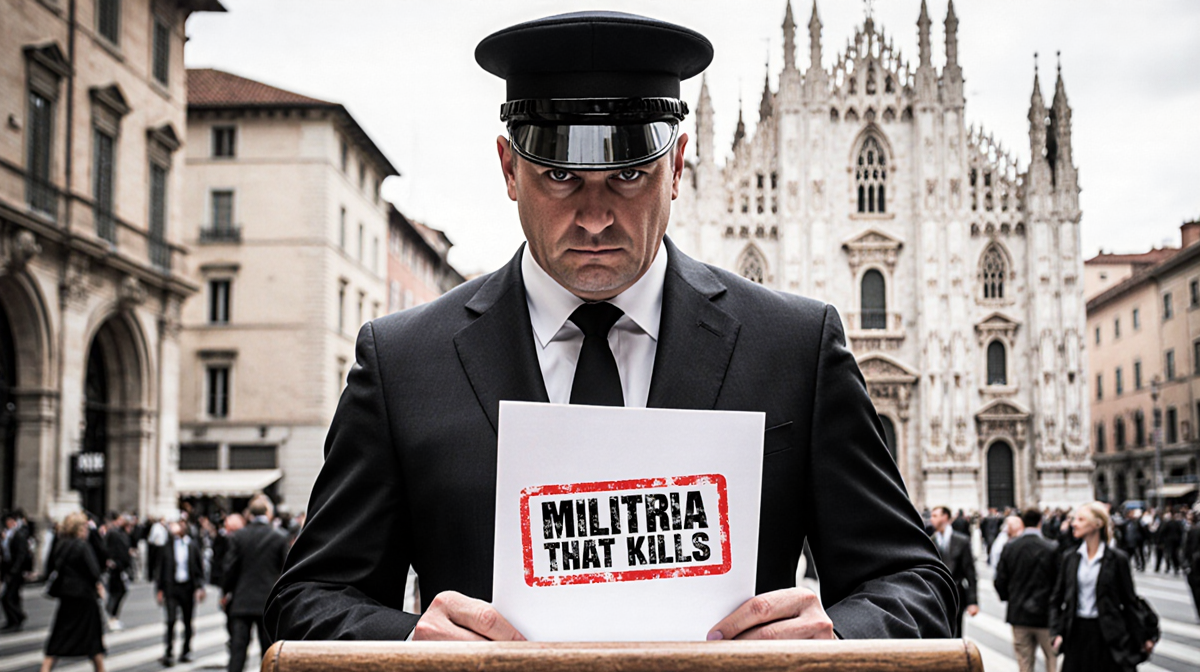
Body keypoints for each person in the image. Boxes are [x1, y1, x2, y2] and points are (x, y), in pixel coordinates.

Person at [266, 10, 955, 643]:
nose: (595, 218)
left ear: (677, 166)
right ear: (510, 168)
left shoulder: (794, 348)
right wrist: (412, 643)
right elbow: (308, 602)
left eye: (628, 176)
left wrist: (835, 633)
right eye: (561, 177)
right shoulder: (404, 361)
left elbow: (918, 586)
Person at [1050, 502, 1156, 672]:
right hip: (1077, 633)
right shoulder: (1070, 558)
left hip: (1108, 634)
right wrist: (1055, 633)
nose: (1074, 523)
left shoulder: (1117, 559)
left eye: (1081, 519)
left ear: (1097, 524)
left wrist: (1143, 637)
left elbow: (1129, 601)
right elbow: (1056, 599)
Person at [222, 496, 288, 672]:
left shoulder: (238, 536)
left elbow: (230, 569)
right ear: (268, 513)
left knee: (238, 650)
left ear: (250, 514)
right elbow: (285, 571)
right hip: (267, 603)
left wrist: (226, 592)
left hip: (242, 600)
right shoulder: (279, 537)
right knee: (268, 652)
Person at [40, 511, 106, 672]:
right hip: (85, 598)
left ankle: (45, 669)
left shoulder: (60, 544)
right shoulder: (82, 546)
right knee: (93, 641)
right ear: (80, 528)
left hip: (66, 596)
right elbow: (95, 571)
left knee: (58, 638)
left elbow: (50, 565)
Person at [994, 510, 1058, 672]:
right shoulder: (1052, 547)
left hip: (1019, 614)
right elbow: (1060, 582)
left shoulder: (1010, 547)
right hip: (1046, 616)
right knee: (1052, 659)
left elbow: (1000, 580)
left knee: (1024, 662)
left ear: (1022, 523)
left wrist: (1010, 598)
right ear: (1040, 522)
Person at [155, 521, 205, 667]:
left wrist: (200, 587)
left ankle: (186, 651)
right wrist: (159, 590)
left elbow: (198, 567)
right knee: (170, 620)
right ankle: (169, 651)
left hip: (188, 588)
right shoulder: (168, 546)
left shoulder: (193, 545)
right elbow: (161, 568)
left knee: (188, 621)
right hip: (172, 588)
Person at [929, 505, 977, 637]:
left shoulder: (962, 541)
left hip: (957, 594)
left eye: (935, 516)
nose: (931, 519)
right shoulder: (929, 541)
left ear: (945, 517)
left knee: (956, 633)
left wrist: (973, 601)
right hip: (935, 596)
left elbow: (970, 573)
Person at [1, 509, 32, 631]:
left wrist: (16, 570)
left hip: (16, 571)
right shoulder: (8, 534)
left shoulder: (19, 534)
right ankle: (13, 620)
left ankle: (18, 617)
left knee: (8, 597)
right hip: (10, 570)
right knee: (12, 597)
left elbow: (21, 554)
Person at [103, 514, 134, 631]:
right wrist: (110, 561)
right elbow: (106, 548)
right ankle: (112, 616)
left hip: (122, 568)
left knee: (120, 592)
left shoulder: (123, 534)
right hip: (117, 568)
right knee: (117, 592)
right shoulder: (115, 533)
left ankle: (113, 615)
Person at [1185, 510, 1200, 621]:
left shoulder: (1193, 530)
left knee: (1197, 591)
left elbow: (1187, 549)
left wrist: (1187, 564)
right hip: (1195, 565)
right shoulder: (1193, 530)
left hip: (1195, 566)